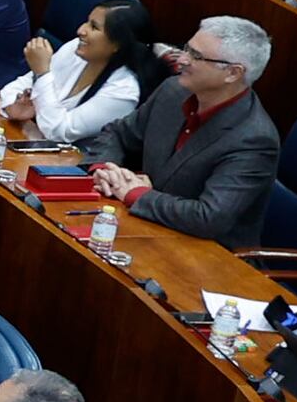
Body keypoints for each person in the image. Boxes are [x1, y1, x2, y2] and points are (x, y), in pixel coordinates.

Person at [91, 14, 280, 240]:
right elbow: (118, 133)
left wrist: (136, 194)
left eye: (196, 56)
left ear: (233, 73)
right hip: (144, 225)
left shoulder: (254, 139)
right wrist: (105, 170)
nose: (181, 59)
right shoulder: (173, 91)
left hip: (207, 256)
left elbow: (208, 218)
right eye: (187, 48)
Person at [9, 0, 156, 153]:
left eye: (94, 27)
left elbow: (59, 132)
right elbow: (12, 89)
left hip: (69, 167)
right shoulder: (76, 48)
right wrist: (15, 107)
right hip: (27, 142)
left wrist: (42, 74)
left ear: (118, 44)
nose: (80, 30)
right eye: (87, 22)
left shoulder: (123, 92)